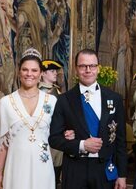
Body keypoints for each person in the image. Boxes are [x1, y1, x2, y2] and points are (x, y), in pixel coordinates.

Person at [49, 48, 127, 189]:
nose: (88, 70)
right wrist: (82, 145)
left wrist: (122, 174)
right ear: (76, 69)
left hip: (104, 169)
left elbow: (120, 140)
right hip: (75, 169)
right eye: (83, 66)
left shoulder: (114, 98)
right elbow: (54, 139)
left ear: (98, 68)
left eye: (92, 66)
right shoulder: (64, 100)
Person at [0, 48, 57, 189]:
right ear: (19, 72)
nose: (29, 74)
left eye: (34, 70)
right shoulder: (6, 102)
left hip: (43, 167)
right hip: (15, 168)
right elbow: (3, 144)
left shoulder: (52, 101)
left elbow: (57, 135)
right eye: (25, 69)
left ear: (40, 73)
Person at [39, 59, 64, 187]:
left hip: (57, 133)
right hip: (48, 135)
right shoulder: (42, 92)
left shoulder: (55, 90)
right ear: (42, 74)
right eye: (52, 71)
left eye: (56, 71)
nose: (55, 73)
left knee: (57, 163)